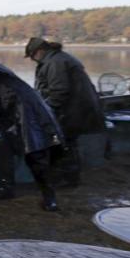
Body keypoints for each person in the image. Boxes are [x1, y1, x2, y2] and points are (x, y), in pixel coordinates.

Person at [0, 59, 63, 211]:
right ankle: (6, 189)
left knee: (36, 160)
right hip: (14, 126)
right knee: (3, 152)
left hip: (31, 120)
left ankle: (50, 199)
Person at [25, 37, 106, 187]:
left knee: (64, 143)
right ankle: (69, 177)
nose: (32, 60)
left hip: (71, 111)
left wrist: (45, 112)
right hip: (76, 109)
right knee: (67, 142)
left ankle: (67, 179)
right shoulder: (58, 59)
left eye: (32, 56)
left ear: (39, 51)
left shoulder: (56, 63)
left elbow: (59, 92)